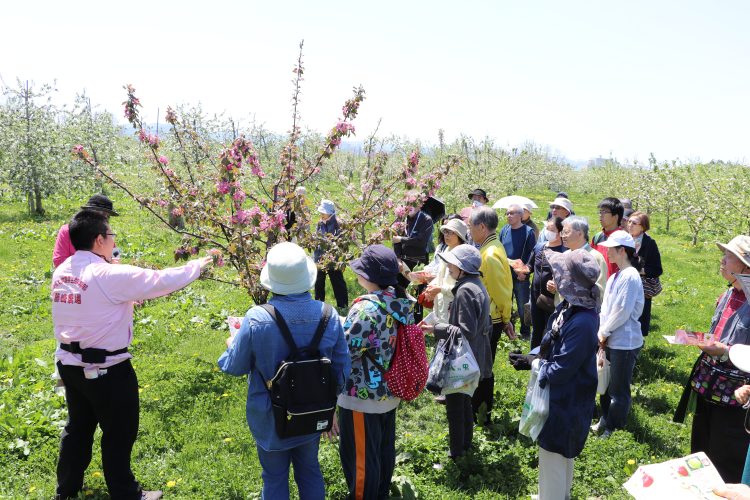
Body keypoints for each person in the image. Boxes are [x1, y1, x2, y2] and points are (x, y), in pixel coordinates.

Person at [52, 210, 213, 500]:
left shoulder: (63, 270)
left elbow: (92, 304)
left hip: (70, 366)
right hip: (107, 370)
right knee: (119, 433)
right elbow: (161, 280)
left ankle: (66, 489)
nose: (114, 240)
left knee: (78, 427)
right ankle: (126, 493)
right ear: (99, 239)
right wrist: (198, 265)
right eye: (111, 235)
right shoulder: (108, 273)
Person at [218, 242, 350, 500]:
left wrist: (231, 346)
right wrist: (328, 404)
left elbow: (234, 366)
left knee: (274, 477)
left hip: (270, 417)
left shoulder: (257, 318)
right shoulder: (328, 314)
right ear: (307, 277)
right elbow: (342, 369)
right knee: (311, 471)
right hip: (312, 412)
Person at [337, 245, 416, 499]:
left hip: (361, 396)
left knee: (361, 458)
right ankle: (380, 493)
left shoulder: (365, 310)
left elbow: (347, 353)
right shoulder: (398, 301)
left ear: (368, 276)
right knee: (382, 450)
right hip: (388, 389)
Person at [678, 235, 750, 483]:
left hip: (736, 396)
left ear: (744, 266)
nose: (722, 261)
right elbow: (719, 332)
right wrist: (699, 340)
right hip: (709, 386)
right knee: (701, 451)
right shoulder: (728, 294)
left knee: (726, 459)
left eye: (729, 256)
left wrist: (726, 351)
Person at [536, 249, 601, 500]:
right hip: (565, 397)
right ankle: (559, 494)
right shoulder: (571, 307)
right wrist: (536, 356)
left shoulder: (583, 321)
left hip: (567, 400)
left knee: (554, 453)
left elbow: (562, 369)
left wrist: (537, 367)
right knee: (560, 454)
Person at [420, 244, 492, 458]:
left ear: (463, 269)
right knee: (463, 403)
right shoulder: (475, 285)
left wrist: (436, 328)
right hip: (475, 355)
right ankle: (465, 446)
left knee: (455, 407)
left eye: (453, 264)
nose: (449, 267)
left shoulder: (464, 291)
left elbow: (465, 331)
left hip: (463, 358)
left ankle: (457, 454)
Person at [591, 230, 644, 438]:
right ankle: (605, 417)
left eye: (611, 249)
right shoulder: (615, 276)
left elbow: (622, 310)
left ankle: (615, 426)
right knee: (604, 381)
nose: (607, 252)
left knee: (618, 388)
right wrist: (601, 332)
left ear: (622, 251)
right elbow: (607, 308)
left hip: (624, 342)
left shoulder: (630, 276)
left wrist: (604, 331)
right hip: (609, 338)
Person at [468, 206, 515, 423]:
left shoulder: (489, 254)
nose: (469, 231)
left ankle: (481, 411)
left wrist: (506, 319)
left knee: (484, 366)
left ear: (482, 227)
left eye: (471, 226)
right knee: (482, 363)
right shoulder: (491, 247)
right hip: (490, 317)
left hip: (491, 318)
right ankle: (477, 407)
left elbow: (501, 291)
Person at [527, 217, 566, 348]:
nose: (548, 232)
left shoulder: (564, 252)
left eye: (552, 229)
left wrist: (557, 286)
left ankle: (549, 358)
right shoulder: (539, 247)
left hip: (553, 301)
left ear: (560, 233)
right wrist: (522, 270)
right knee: (537, 329)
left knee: (552, 330)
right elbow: (530, 266)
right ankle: (533, 358)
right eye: (547, 228)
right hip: (535, 297)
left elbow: (568, 277)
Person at [420, 217, 468, 324]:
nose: (446, 235)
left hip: (453, 304)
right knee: (440, 331)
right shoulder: (447, 249)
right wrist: (432, 286)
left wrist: (440, 289)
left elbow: (462, 288)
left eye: (451, 232)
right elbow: (441, 275)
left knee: (450, 333)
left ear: (459, 235)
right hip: (440, 301)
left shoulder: (462, 255)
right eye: (446, 232)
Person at [500, 204, 537, 339]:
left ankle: (526, 332)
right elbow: (500, 251)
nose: (509, 216)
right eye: (507, 213)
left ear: (520, 216)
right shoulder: (504, 230)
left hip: (521, 276)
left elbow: (532, 255)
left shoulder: (528, 232)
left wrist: (525, 272)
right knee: (506, 304)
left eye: (512, 213)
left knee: (522, 306)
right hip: (505, 275)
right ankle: (508, 330)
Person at [53, 194, 119, 268]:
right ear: (87, 213)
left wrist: (114, 264)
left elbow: (115, 252)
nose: (104, 219)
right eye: (100, 214)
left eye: (107, 216)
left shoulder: (106, 233)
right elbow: (58, 260)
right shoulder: (67, 230)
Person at [626, 211, 663, 336]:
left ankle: (636, 345)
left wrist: (639, 271)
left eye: (634, 223)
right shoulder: (624, 239)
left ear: (642, 227)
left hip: (640, 287)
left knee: (638, 318)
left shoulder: (649, 243)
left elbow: (658, 269)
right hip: (624, 284)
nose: (630, 225)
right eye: (629, 221)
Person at [558, 216, 607, 306]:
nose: (563, 236)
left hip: (584, 311)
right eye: (562, 232)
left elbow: (601, 289)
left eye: (566, 232)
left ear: (580, 233)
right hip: (564, 310)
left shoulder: (595, 257)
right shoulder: (564, 255)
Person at [313, 199, 349, 311]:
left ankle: (342, 305)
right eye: (321, 212)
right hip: (320, 258)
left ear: (331, 213)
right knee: (319, 281)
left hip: (333, 259)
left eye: (324, 212)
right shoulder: (320, 223)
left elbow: (340, 242)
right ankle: (319, 305)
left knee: (337, 280)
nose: (322, 214)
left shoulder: (338, 224)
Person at [591, 197, 625, 278]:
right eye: (600, 212)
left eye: (605, 212)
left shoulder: (624, 239)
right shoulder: (597, 237)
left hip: (615, 286)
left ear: (616, 216)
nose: (601, 215)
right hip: (598, 286)